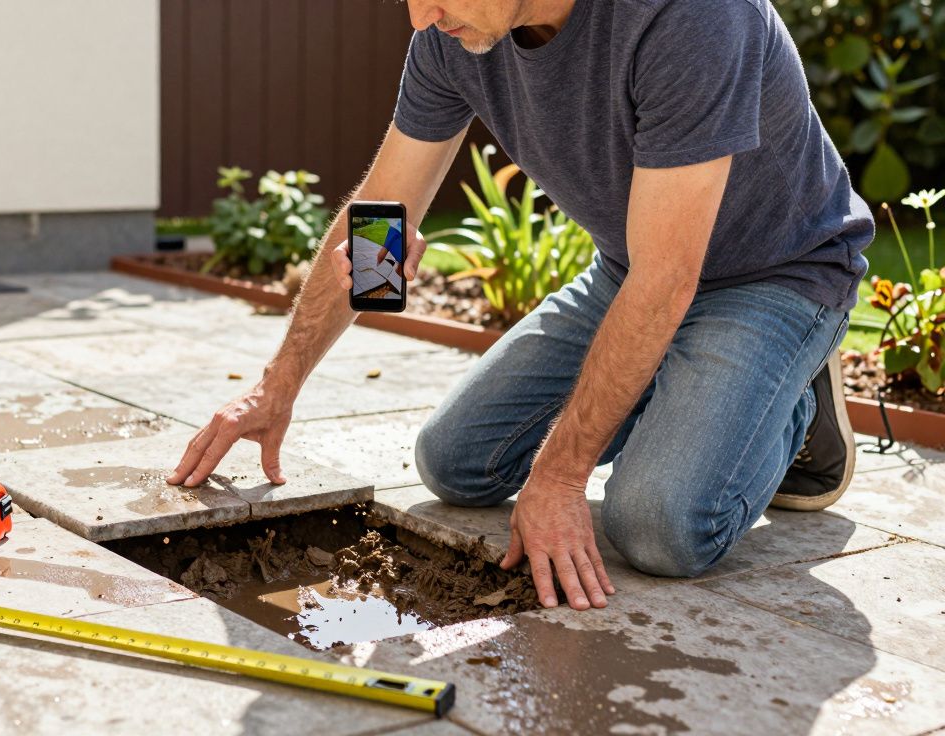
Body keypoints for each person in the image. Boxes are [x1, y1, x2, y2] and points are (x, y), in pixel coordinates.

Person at [168, 0, 872, 612]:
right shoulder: (450, 37)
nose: (420, 16)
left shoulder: (689, 16)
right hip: (630, 273)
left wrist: (561, 474)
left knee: (659, 527)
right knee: (454, 463)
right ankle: (691, 389)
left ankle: (795, 403)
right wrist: (278, 383)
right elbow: (383, 209)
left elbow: (669, 279)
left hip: (776, 274)